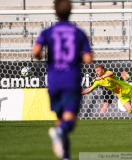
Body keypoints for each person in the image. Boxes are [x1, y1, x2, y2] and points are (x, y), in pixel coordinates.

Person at [32, 0, 93, 159]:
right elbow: (88, 59)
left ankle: (66, 156)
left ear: (55, 11)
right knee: (68, 123)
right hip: (71, 80)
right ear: (71, 10)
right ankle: (59, 133)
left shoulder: (48, 31)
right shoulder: (78, 32)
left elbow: (35, 52)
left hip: (53, 81)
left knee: (60, 120)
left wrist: (46, 56)